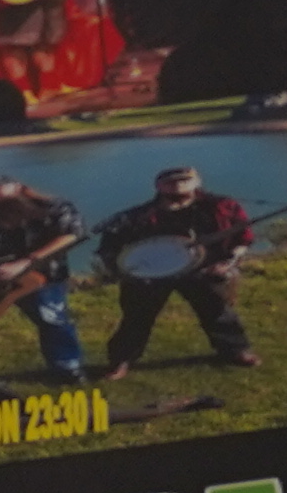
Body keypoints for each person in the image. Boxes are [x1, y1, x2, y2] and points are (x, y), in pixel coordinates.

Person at [92, 163, 259, 381]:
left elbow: (243, 237)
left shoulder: (222, 206)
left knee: (217, 311)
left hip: (203, 269)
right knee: (136, 317)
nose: (178, 185)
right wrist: (123, 269)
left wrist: (229, 261)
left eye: (184, 180)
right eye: (170, 182)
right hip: (151, 275)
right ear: (158, 186)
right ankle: (121, 361)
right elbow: (109, 247)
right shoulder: (138, 216)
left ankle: (235, 350)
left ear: (197, 182)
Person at [0, 165, 91, 382]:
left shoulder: (55, 209)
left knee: (53, 321)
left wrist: (26, 262)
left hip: (42, 278)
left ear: (18, 187)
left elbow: (72, 235)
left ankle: (68, 368)